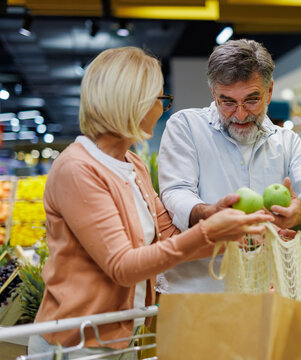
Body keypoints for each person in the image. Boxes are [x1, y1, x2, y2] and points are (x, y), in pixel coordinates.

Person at [28, 47, 274, 358]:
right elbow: (123, 267)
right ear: (133, 103)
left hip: (119, 336)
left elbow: (169, 238)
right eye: (160, 100)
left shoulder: (133, 165)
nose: (162, 110)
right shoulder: (78, 169)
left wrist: (236, 233)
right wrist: (208, 230)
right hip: (75, 344)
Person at [158, 39, 301, 293]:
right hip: (198, 290)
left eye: (252, 100)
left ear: (270, 91)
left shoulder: (286, 142)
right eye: (228, 102)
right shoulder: (186, 127)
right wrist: (210, 214)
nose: (240, 114)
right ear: (213, 93)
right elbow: (176, 191)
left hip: (264, 293)